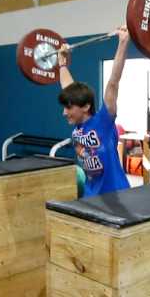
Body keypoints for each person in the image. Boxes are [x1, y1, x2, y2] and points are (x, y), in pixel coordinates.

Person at [57, 25, 130, 197]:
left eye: (68, 108)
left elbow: (113, 82)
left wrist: (123, 42)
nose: (64, 113)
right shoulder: (79, 124)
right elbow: (68, 87)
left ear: (85, 107)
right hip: (91, 194)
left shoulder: (103, 122)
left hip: (117, 195)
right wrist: (62, 63)